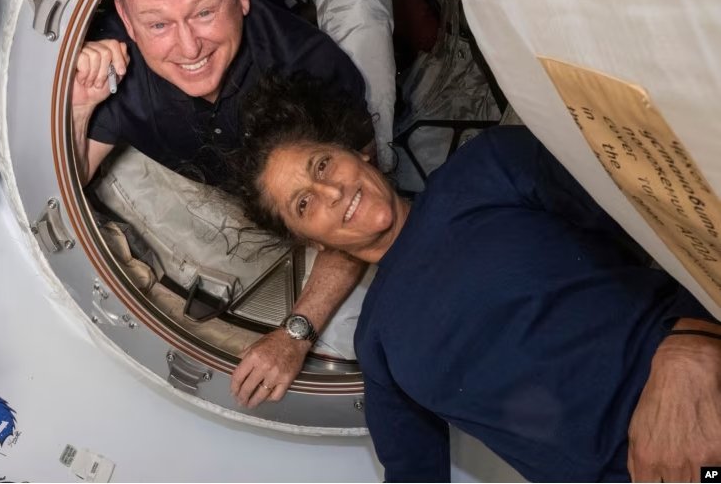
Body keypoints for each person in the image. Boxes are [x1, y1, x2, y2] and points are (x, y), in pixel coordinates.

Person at [225, 73, 721, 482]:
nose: (331, 191)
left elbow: (672, 215)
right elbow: (413, 475)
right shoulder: (376, 343)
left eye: (323, 164)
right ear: (312, 241)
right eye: (304, 203)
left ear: (359, 152)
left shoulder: (487, 168)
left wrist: (692, 345)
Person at [71, 0, 375, 407]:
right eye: (158, 24)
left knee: (360, 11)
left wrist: (295, 333)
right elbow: (68, 178)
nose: (188, 46)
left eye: (204, 12)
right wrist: (81, 103)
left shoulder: (311, 69)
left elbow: (362, 213)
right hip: (230, 193)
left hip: (309, 188)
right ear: (127, 20)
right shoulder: (116, 66)